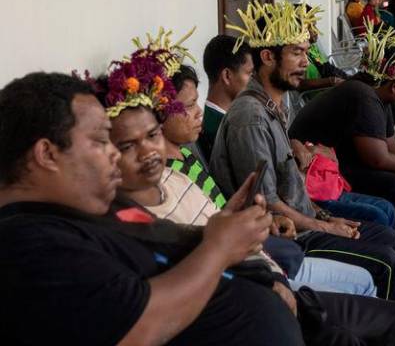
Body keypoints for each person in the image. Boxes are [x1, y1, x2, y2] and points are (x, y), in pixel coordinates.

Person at [0, 72, 304, 345]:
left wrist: (225, 228)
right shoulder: (25, 243)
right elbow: (138, 328)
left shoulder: (77, 212)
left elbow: (170, 243)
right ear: (47, 154)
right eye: (101, 141)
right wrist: (219, 247)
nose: (112, 154)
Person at [211, 1, 395, 305]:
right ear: (268, 56)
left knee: (384, 236)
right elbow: (268, 204)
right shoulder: (251, 118)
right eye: (296, 53)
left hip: (306, 219)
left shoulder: (274, 105)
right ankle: (379, 318)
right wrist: (326, 225)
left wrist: (327, 214)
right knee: (383, 259)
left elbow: (290, 188)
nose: (304, 61)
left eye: (305, 51)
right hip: (288, 237)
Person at [157, 63, 379, 296]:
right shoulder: (171, 177)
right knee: (369, 272)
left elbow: (219, 216)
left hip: (269, 248)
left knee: (373, 252)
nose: (198, 111)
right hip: (257, 268)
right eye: (190, 105)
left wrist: (271, 223)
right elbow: (212, 238)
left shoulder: (188, 157)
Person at [290, 23, 395, 270]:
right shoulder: (363, 95)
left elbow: (390, 143)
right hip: (313, 172)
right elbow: (377, 158)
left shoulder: (375, 92)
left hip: (331, 162)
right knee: (393, 182)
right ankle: (388, 255)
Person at [200, 34, 254, 162]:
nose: (254, 82)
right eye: (249, 74)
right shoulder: (223, 129)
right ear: (227, 76)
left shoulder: (216, 120)